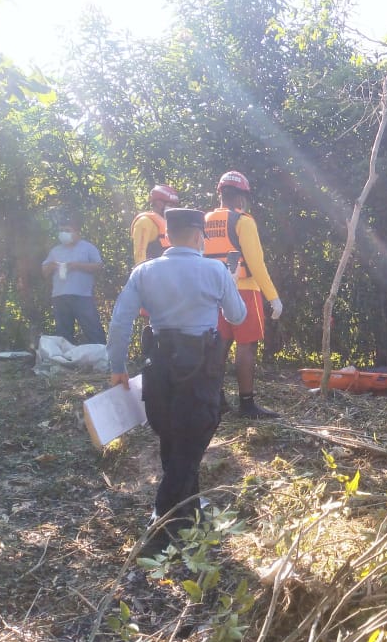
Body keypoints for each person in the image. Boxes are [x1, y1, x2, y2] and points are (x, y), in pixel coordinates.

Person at [106, 208, 246, 550]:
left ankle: (190, 509)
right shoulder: (215, 270)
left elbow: (120, 321)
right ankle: (161, 517)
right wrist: (229, 277)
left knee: (172, 436)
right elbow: (237, 315)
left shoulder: (144, 271)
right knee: (192, 437)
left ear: (167, 235)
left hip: (159, 367)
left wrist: (117, 365)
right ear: (199, 236)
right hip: (200, 369)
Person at [204, 170, 284, 419]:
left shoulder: (203, 220)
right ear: (241, 197)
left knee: (220, 345)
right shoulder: (243, 221)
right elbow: (256, 264)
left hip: (213, 293)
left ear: (220, 193)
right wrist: (273, 297)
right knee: (246, 346)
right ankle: (247, 404)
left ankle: (217, 401)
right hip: (245, 291)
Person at [41, 217, 106, 345]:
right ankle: (66, 361)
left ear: (77, 232)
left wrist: (77, 265)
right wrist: (53, 265)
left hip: (82, 296)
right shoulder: (55, 250)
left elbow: (99, 266)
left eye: (67, 230)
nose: (63, 233)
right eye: (61, 231)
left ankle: (102, 359)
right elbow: (44, 272)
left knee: (92, 329)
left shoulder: (88, 247)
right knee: (63, 333)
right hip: (60, 296)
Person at [131, 184, 180, 265]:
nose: (172, 208)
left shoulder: (167, 222)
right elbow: (139, 253)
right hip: (152, 272)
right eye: (170, 205)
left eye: (174, 205)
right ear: (158, 203)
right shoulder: (144, 221)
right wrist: (144, 274)